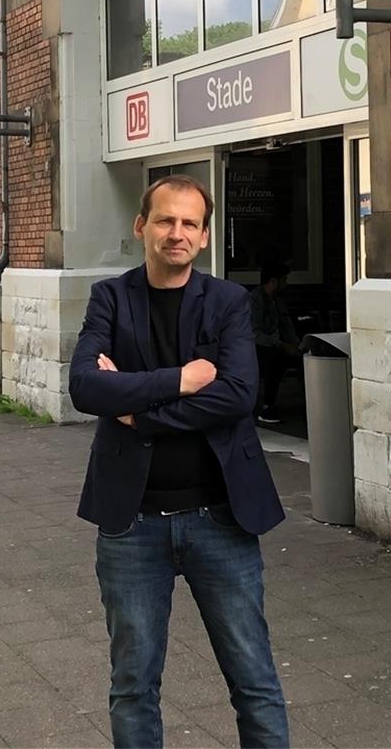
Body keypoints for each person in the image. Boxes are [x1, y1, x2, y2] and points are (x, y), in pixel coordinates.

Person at [69, 175, 288, 749]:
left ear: (205, 235)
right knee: (133, 685)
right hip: (132, 523)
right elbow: (86, 387)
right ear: (141, 226)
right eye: (165, 220)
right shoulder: (110, 299)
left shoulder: (228, 302)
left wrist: (140, 412)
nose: (177, 233)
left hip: (222, 519)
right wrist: (181, 380)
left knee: (254, 680)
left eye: (190, 223)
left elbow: (238, 394)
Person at [250, 261, 302, 426]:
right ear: (273, 282)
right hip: (255, 348)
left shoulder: (278, 301)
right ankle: (267, 406)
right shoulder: (255, 300)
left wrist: (297, 345)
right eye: (284, 280)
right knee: (274, 358)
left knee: (300, 357)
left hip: (274, 345)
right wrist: (281, 345)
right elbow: (254, 333)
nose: (286, 284)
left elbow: (286, 324)